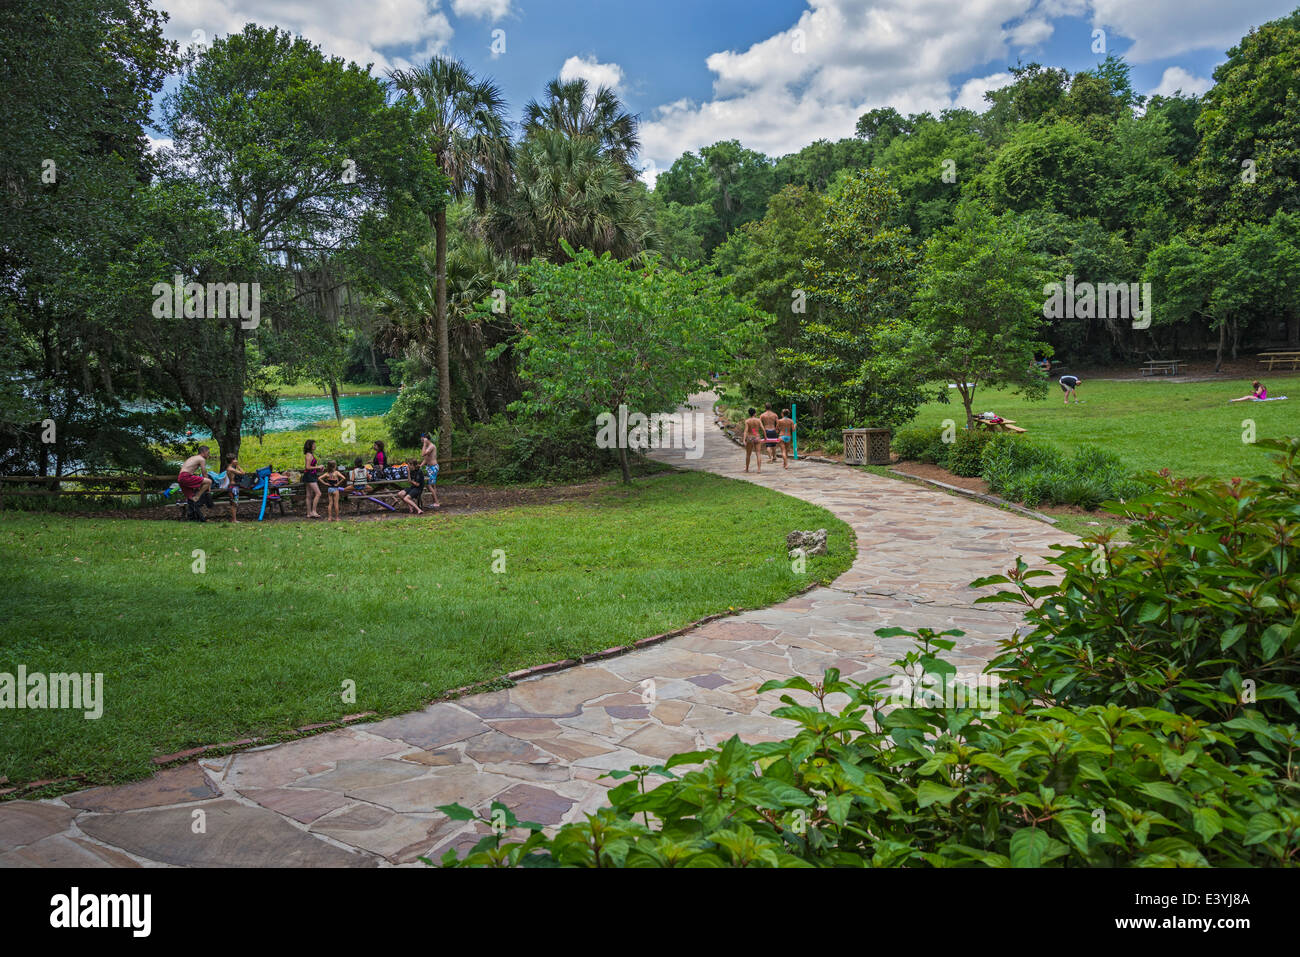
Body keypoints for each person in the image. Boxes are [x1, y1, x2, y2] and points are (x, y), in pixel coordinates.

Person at [178, 446, 212, 521]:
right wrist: (208, 486)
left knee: (191, 498)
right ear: (203, 452)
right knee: (209, 481)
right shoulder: (201, 459)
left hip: (181, 477)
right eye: (208, 453)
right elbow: (204, 472)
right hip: (186, 476)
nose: (209, 455)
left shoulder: (194, 457)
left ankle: (194, 518)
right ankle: (197, 496)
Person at [420, 433, 441, 509]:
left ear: (425, 438)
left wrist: (425, 444)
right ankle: (435, 502)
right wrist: (420, 466)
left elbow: (422, 454)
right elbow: (426, 459)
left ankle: (436, 502)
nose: (421, 440)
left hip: (433, 468)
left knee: (429, 485)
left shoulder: (431, 446)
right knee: (432, 485)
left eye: (422, 438)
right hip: (429, 467)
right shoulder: (428, 447)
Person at [302, 439, 322, 518]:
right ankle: (313, 511)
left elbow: (310, 467)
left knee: (309, 495)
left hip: (309, 475)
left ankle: (309, 513)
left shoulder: (309, 454)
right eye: (314, 444)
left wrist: (317, 468)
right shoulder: (309, 455)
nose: (315, 446)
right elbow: (307, 467)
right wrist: (318, 467)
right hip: (310, 475)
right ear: (310, 446)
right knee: (318, 493)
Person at [222, 454, 245, 523]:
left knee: (234, 503)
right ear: (232, 460)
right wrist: (238, 465)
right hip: (233, 487)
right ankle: (234, 520)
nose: (236, 460)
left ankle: (234, 519)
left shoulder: (230, 468)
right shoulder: (231, 469)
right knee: (234, 504)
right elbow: (243, 473)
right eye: (235, 459)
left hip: (232, 487)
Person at [742, 408, 765, 473]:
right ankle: (759, 469)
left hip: (750, 438)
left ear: (749, 413)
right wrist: (765, 437)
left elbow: (746, 431)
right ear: (755, 413)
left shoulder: (747, 421)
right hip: (757, 437)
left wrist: (744, 440)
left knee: (748, 454)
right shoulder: (758, 420)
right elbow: (763, 429)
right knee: (758, 453)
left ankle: (747, 469)